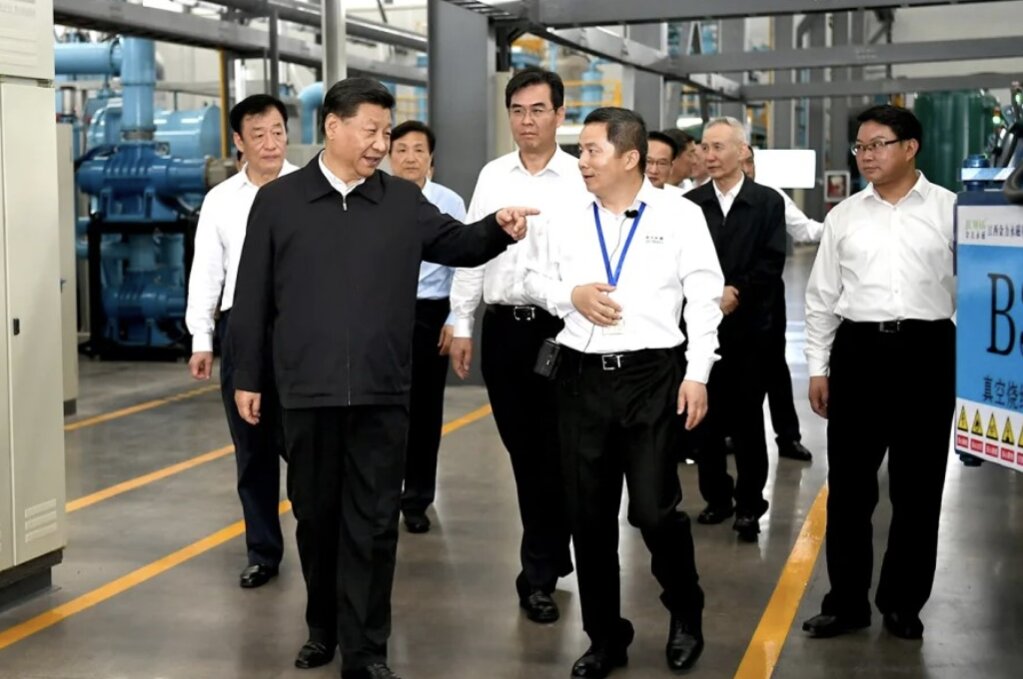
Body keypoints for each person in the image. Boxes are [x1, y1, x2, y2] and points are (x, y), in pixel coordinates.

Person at [228, 77, 536, 679]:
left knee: (373, 525)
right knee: (316, 519)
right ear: (333, 127)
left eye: (386, 132)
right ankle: (323, 628)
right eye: (371, 130)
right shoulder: (280, 202)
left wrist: (498, 228)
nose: (380, 144)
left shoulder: (400, 201)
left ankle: (367, 648)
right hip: (307, 392)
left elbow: (458, 243)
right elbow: (253, 296)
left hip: (382, 391)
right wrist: (248, 376)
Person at [524, 107, 722, 678]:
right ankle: (605, 637)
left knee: (655, 512)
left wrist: (698, 373)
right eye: (580, 150)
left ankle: (685, 610)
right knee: (588, 517)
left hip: (652, 378)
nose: (581, 161)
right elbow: (529, 278)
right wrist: (571, 295)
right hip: (580, 378)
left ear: (630, 157)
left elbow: (704, 295)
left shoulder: (679, 215)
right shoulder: (563, 214)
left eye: (591, 150)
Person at [801, 105, 956, 641]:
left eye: (877, 145)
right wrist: (818, 368)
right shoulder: (844, 216)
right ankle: (846, 603)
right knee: (849, 489)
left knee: (918, 489)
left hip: (928, 352)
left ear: (910, 147)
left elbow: (976, 291)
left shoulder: (951, 211)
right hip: (859, 353)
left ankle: (902, 603)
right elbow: (821, 296)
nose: (866, 156)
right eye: (860, 147)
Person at [448, 66, 582, 624]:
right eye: (518, 111)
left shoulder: (580, 176)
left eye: (538, 110)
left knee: (559, 450)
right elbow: (471, 251)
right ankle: (550, 553)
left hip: (564, 331)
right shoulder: (492, 175)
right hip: (504, 330)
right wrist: (461, 322)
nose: (527, 121)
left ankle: (539, 573)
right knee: (525, 452)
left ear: (560, 115)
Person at [185, 94, 297, 589]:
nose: (270, 144)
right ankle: (263, 551)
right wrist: (201, 337)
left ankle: (323, 544)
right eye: (258, 135)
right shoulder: (221, 200)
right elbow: (207, 271)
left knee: (306, 444)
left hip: (299, 329)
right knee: (252, 448)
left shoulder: (308, 189)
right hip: (241, 331)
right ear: (238, 142)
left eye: (277, 132)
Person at [684, 117, 786, 542]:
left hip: (751, 331)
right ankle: (717, 498)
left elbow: (772, 261)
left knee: (747, 421)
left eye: (719, 147)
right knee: (703, 420)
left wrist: (736, 291)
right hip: (702, 329)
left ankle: (749, 504)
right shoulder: (690, 205)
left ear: (743, 151)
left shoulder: (767, 202)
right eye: (704, 147)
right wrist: (709, 295)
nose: (709, 155)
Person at [387, 120, 467, 534]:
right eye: (401, 150)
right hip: (382, 315)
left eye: (418, 150)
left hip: (430, 315)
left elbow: (464, 263)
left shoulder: (448, 201)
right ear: (389, 156)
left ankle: (417, 499)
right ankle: (383, 496)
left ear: (430, 158)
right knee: (382, 410)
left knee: (424, 410)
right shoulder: (374, 198)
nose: (410, 158)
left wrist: (455, 319)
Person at [741, 146, 818, 463]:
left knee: (774, 367)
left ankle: (788, 437)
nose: (745, 168)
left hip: (766, 299)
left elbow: (805, 229)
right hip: (720, 301)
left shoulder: (770, 197)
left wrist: (844, 229)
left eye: (749, 161)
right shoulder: (702, 199)